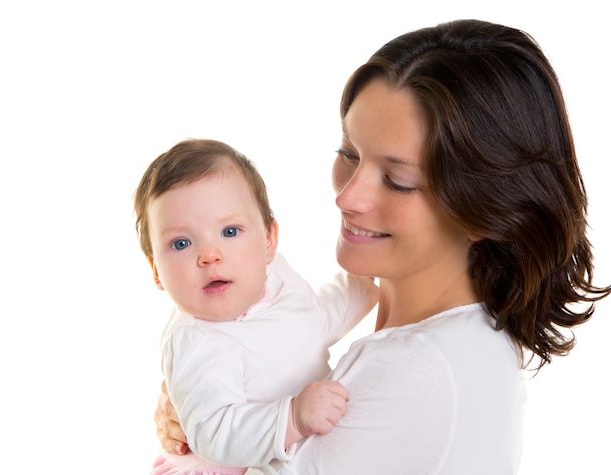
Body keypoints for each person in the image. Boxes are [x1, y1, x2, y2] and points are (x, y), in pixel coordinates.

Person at [153, 20, 611, 473]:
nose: (346, 197)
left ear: (484, 210)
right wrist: (208, 398)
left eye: (398, 181)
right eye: (349, 153)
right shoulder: (434, 340)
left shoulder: (419, 368)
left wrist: (211, 442)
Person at [133, 138, 378, 474]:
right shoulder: (197, 340)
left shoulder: (277, 278)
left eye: (230, 231)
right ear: (156, 271)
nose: (209, 255)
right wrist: (292, 417)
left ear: (268, 241)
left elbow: (313, 322)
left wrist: (364, 284)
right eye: (181, 243)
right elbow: (215, 430)